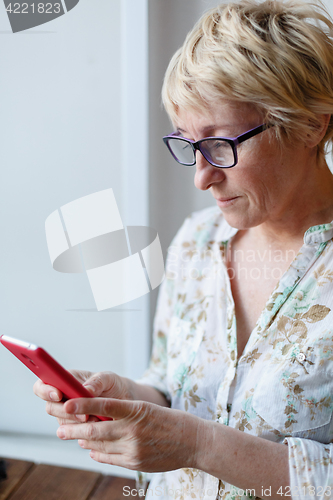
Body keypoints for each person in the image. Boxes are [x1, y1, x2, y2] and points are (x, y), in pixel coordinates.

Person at [34, 0, 333, 498]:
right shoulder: (196, 241)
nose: (201, 177)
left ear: (310, 124)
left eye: (221, 145)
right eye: (189, 145)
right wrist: (126, 396)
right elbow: (175, 388)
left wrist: (199, 445)